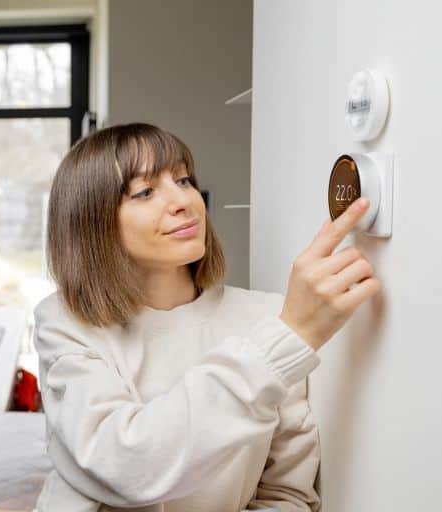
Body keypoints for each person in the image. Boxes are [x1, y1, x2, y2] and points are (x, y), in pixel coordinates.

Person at [34, 123, 380, 511]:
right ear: (92, 222)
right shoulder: (65, 323)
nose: (184, 200)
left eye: (183, 180)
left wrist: (288, 332)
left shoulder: (268, 317)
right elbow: (127, 466)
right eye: (145, 191)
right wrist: (287, 339)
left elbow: (287, 495)